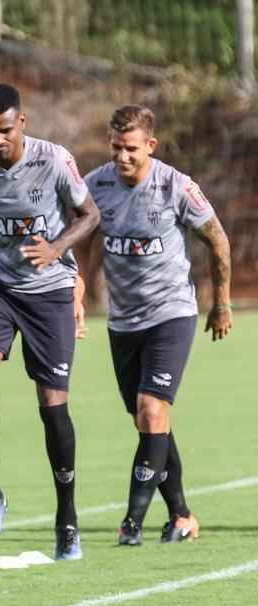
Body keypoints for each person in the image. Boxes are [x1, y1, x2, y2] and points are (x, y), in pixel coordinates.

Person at [0, 83, 101, 560]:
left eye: (4, 131)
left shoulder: (54, 160)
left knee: (52, 406)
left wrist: (56, 249)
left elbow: (90, 213)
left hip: (51, 292)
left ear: (22, 123)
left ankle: (68, 519)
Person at [79, 105, 232, 546]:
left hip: (172, 313)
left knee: (151, 410)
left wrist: (220, 304)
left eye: (131, 149)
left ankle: (132, 522)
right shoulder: (97, 186)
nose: (122, 157)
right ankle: (182, 515)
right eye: (115, 148)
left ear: (151, 146)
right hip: (123, 321)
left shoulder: (176, 186)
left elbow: (218, 241)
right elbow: (84, 237)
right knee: (150, 421)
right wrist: (80, 289)